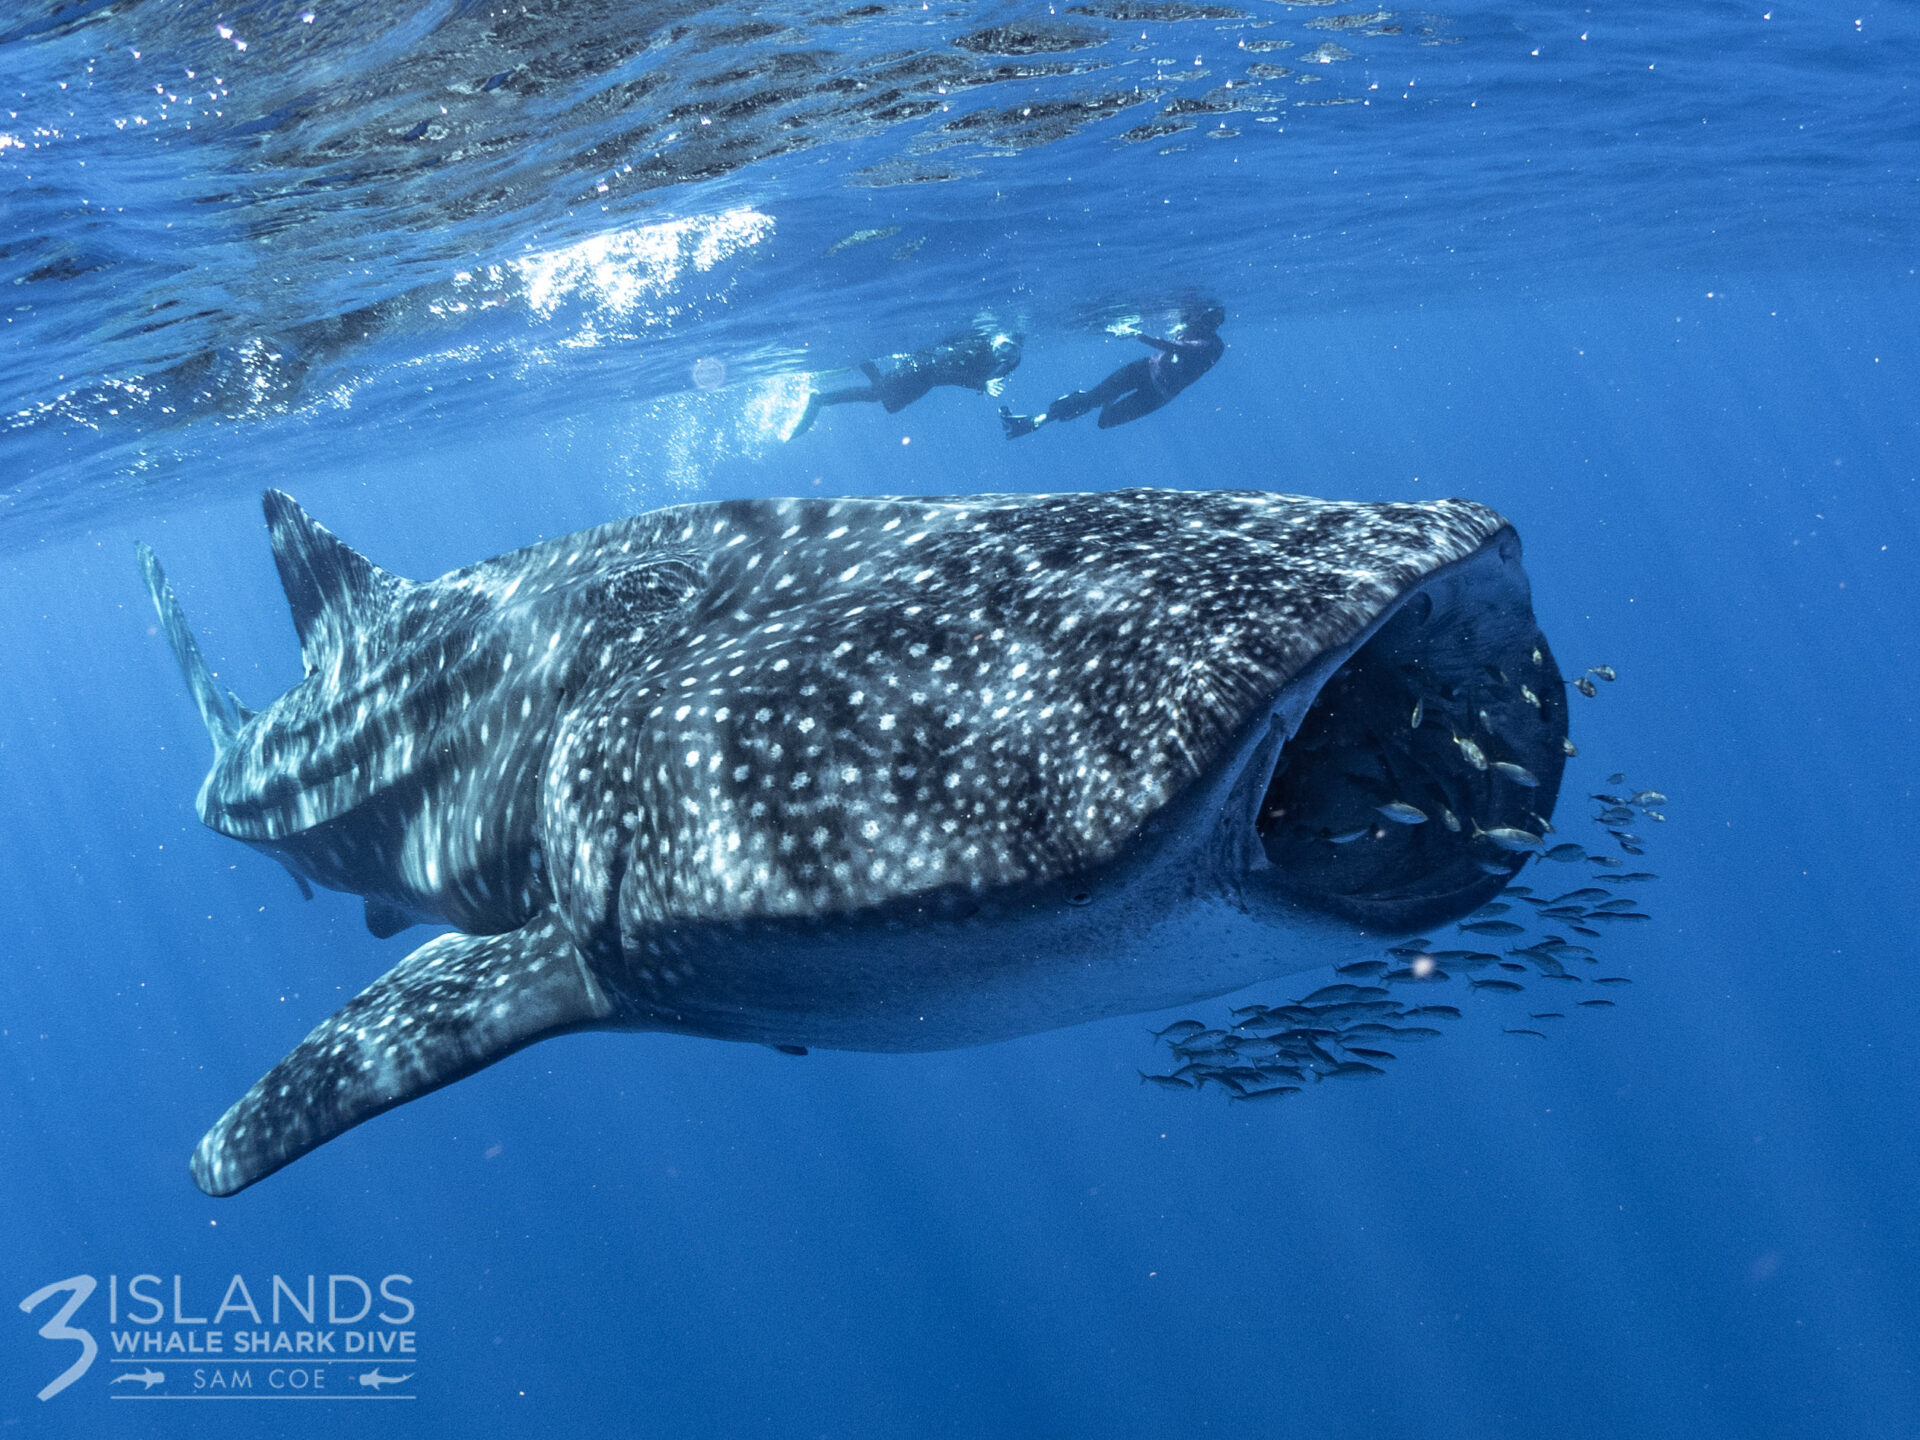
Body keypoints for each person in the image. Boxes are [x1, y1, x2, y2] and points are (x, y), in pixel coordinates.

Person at [1000, 305, 1225, 439]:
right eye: (1202, 317)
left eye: (1207, 320)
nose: (1200, 322)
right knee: (1090, 398)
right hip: (1145, 371)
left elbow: (1178, 349)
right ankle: (1034, 422)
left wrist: (1137, 335)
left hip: (1156, 393)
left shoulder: (1213, 346)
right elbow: (1178, 344)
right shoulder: (1196, 329)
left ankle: (1031, 423)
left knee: (1104, 417)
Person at [787, 331, 1022, 438]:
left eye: (1011, 351)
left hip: (927, 379)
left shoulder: (999, 362)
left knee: (890, 404)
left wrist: (984, 382)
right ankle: (820, 398)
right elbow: (947, 372)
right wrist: (981, 385)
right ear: (996, 338)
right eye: (1004, 344)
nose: (1005, 352)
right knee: (877, 393)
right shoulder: (977, 348)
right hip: (923, 368)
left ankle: (866, 364)